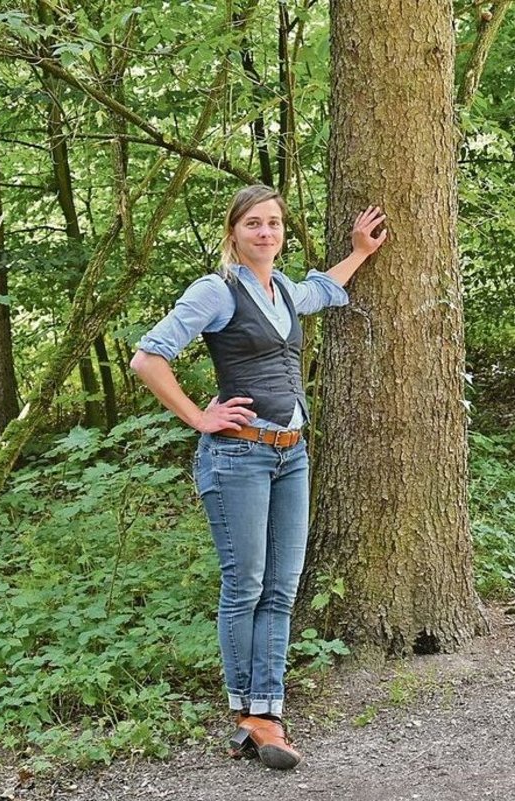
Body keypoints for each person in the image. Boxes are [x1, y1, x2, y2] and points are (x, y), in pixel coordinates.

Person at [130, 185, 386, 769]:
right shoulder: (215, 291)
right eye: (253, 223)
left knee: (281, 587)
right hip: (237, 456)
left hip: (291, 454)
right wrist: (199, 415)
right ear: (234, 231)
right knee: (244, 584)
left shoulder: (283, 290)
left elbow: (323, 291)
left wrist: (360, 253)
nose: (265, 232)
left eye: (273, 223)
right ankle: (249, 713)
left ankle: (264, 713)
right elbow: (149, 357)